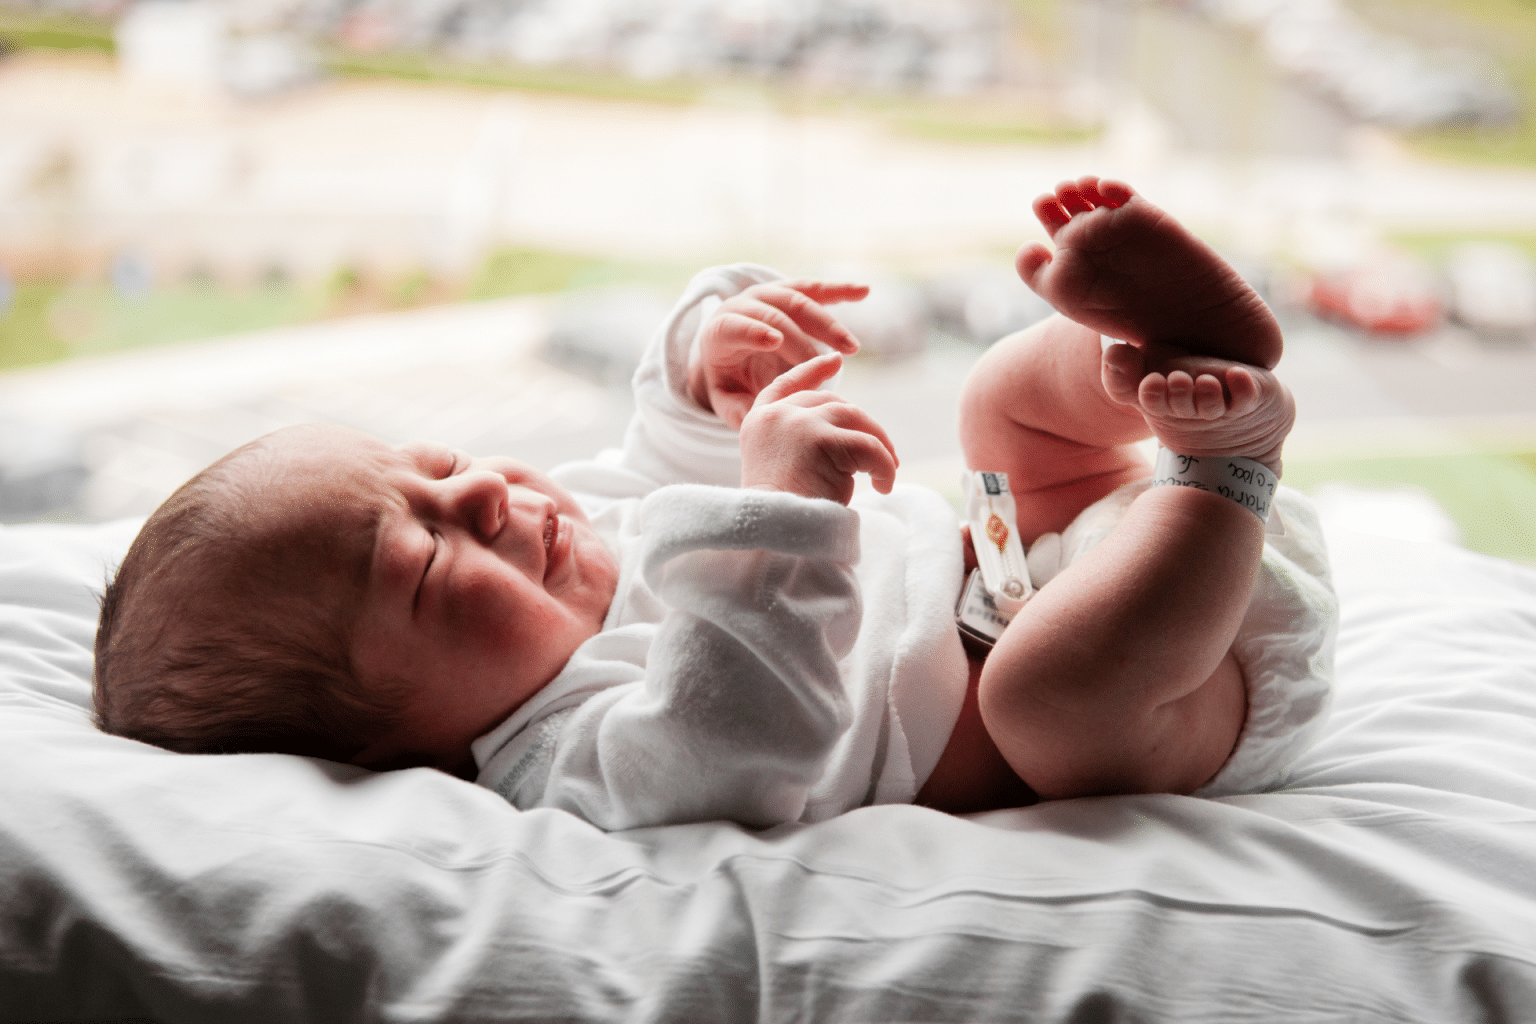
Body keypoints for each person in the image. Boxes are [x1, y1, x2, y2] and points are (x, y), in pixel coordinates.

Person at [93, 177, 1335, 829]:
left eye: (434, 469)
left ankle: (1167, 359)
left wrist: (711, 360)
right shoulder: (565, 763)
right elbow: (744, 733)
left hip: (1032, 549)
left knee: (999, 406)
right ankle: (1228, 463)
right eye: (423, 560)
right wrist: (779, 502)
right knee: (1044, 699)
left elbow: (661, 453)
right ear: (387, 744)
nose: (476, 493)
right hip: (1169, 675)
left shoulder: (576, 531)